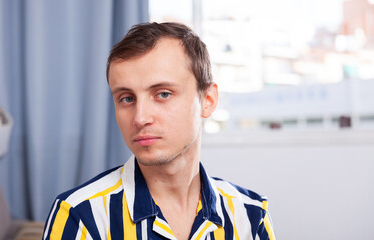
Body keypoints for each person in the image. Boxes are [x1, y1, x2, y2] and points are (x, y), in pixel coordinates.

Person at [43, 22, 276, 240]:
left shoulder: (251, 215)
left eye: (163, 94)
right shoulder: (80, 215)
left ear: (208, 100)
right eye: (126, 98)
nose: (140, 118)